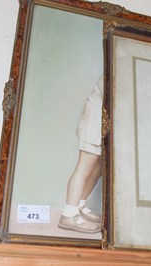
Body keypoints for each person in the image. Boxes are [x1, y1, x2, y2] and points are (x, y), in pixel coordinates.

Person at [57, 76, 103, 234]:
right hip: (96, 118)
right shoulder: (120, 58)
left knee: (99, 168)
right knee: (85, 166)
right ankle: (68, 215)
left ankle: (79, 205)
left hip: (105, 119)